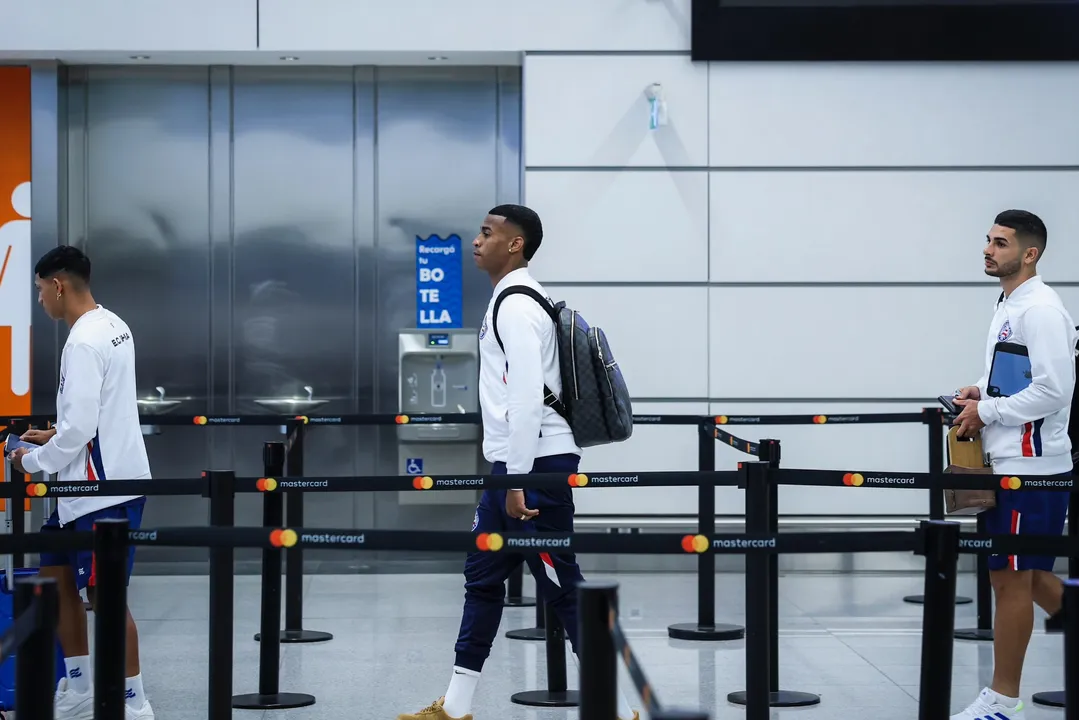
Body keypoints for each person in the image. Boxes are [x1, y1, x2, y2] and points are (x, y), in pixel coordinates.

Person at [397, 205, 638, 720]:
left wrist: (519, 480)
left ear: (515, 245)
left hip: (533, 468)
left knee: (563, 587)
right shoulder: (509, 301)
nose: (476, 241)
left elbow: (528, 399)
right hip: (512, 467)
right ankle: (456, 706)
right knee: (483, 579)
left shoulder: (516, 307)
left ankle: (618, 708)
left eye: (487, 233)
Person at [6, 246, 154, 720]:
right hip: (84, 489)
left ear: (58, 285)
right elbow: (91, 415)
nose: (40, 301)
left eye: (38, 291)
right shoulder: (113, 325)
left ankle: (134, 701)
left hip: (100, 491)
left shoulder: (84, 341)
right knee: (56, 578)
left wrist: (28, 459)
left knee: (105, 598)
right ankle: (81, 687)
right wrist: (56, 433)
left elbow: (79, 432)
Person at [950, 210, 1076, 720]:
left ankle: (1002, 701)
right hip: (1011, 462)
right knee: (1024, 575)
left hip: (1033, 469)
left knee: (1011, 579)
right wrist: (982, 393)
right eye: (987, 239)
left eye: (1000, 243)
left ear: (1030, 253)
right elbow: (1018, 376)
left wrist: (989, 411)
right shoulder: (1010, 303)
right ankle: (1002, 699)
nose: (988, 249)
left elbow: (1053, 390)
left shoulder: (1040, 309)